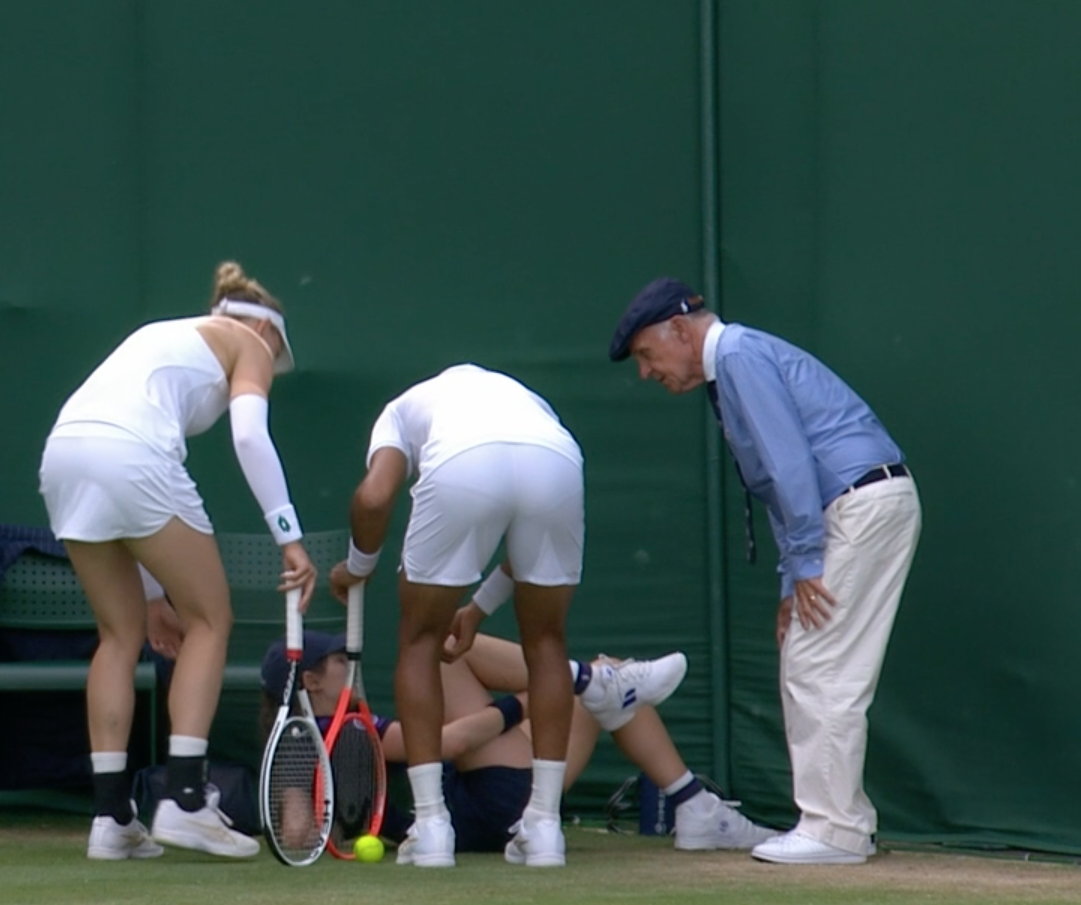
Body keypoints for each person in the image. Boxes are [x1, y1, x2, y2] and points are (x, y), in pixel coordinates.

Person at [608, 278, 922, 865]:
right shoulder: (735, 362)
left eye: (648, 356)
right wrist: (791, 578)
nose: (647, 373)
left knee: (819, 662)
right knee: (813, 656)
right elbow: (782, 481)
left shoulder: (738, 356)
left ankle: (835, 830)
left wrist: (804, 560)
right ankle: (837, 824)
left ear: (679, 331)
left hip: (857, 504)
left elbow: (788, 463)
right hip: (860, 504)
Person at [327, 362, 677, 868]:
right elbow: (527, 542)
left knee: (421, 642)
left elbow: (374, 496)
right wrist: (478, 608)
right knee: (547, 643)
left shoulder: (400, 414)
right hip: (557, 462)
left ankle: (431, 830)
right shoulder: (531, 409)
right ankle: (543, 829)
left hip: (459, 468)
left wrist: (357, 567)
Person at [38, 260, 317, 861]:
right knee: (210, 621)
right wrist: (289, 538)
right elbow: (249, 437)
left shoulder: (168, 336)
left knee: (119, 635)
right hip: (130, 455)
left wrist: (152, 595)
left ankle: (112, 819)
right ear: (268, 332)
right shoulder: (251, 344)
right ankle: (186, 800)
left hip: (64, 454)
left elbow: (120, 501)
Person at [259, 621, 773, 859]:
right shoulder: (339, 731)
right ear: (311, 682)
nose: (343, 662)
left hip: (495, 794)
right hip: (493, 804)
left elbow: (299, 832)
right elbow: (452, 743)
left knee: (609, 690)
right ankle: (579, 680)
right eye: (331, 659)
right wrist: (531, 700)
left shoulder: (329, 731)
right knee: (448, 647)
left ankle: (694, 804)